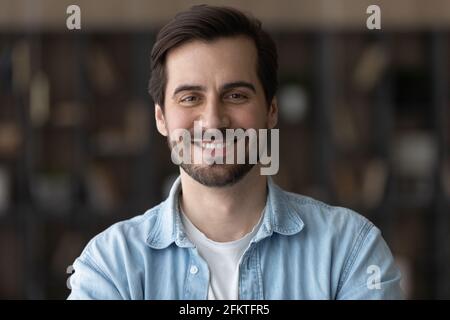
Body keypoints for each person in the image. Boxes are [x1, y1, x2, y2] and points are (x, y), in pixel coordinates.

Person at [68, 5, 403, 300]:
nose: (213, 121)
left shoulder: (349, 250)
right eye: (190, 98)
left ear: (271, 110)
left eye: (236, 95)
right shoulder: (111, 264)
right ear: (161, 118)